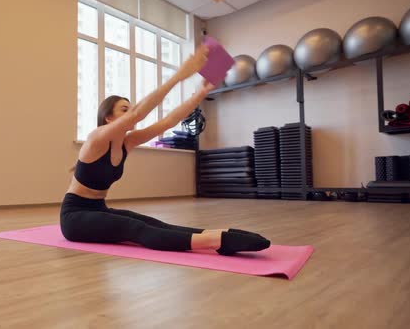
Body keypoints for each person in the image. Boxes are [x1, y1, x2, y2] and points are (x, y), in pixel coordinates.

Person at [61, 45, 270, 255]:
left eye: (129, 108)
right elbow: (137, 115)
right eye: (124, 109)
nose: (130, 112)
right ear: (108, 117)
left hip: (98, 209)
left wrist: (201, 93)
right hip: (75, 217)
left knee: (154, 223)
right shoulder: (96, 138)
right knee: (137, 229)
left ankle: (219, 232)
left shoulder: (128, 142)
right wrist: (179, 75)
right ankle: (214, 241)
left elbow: (169, 121)